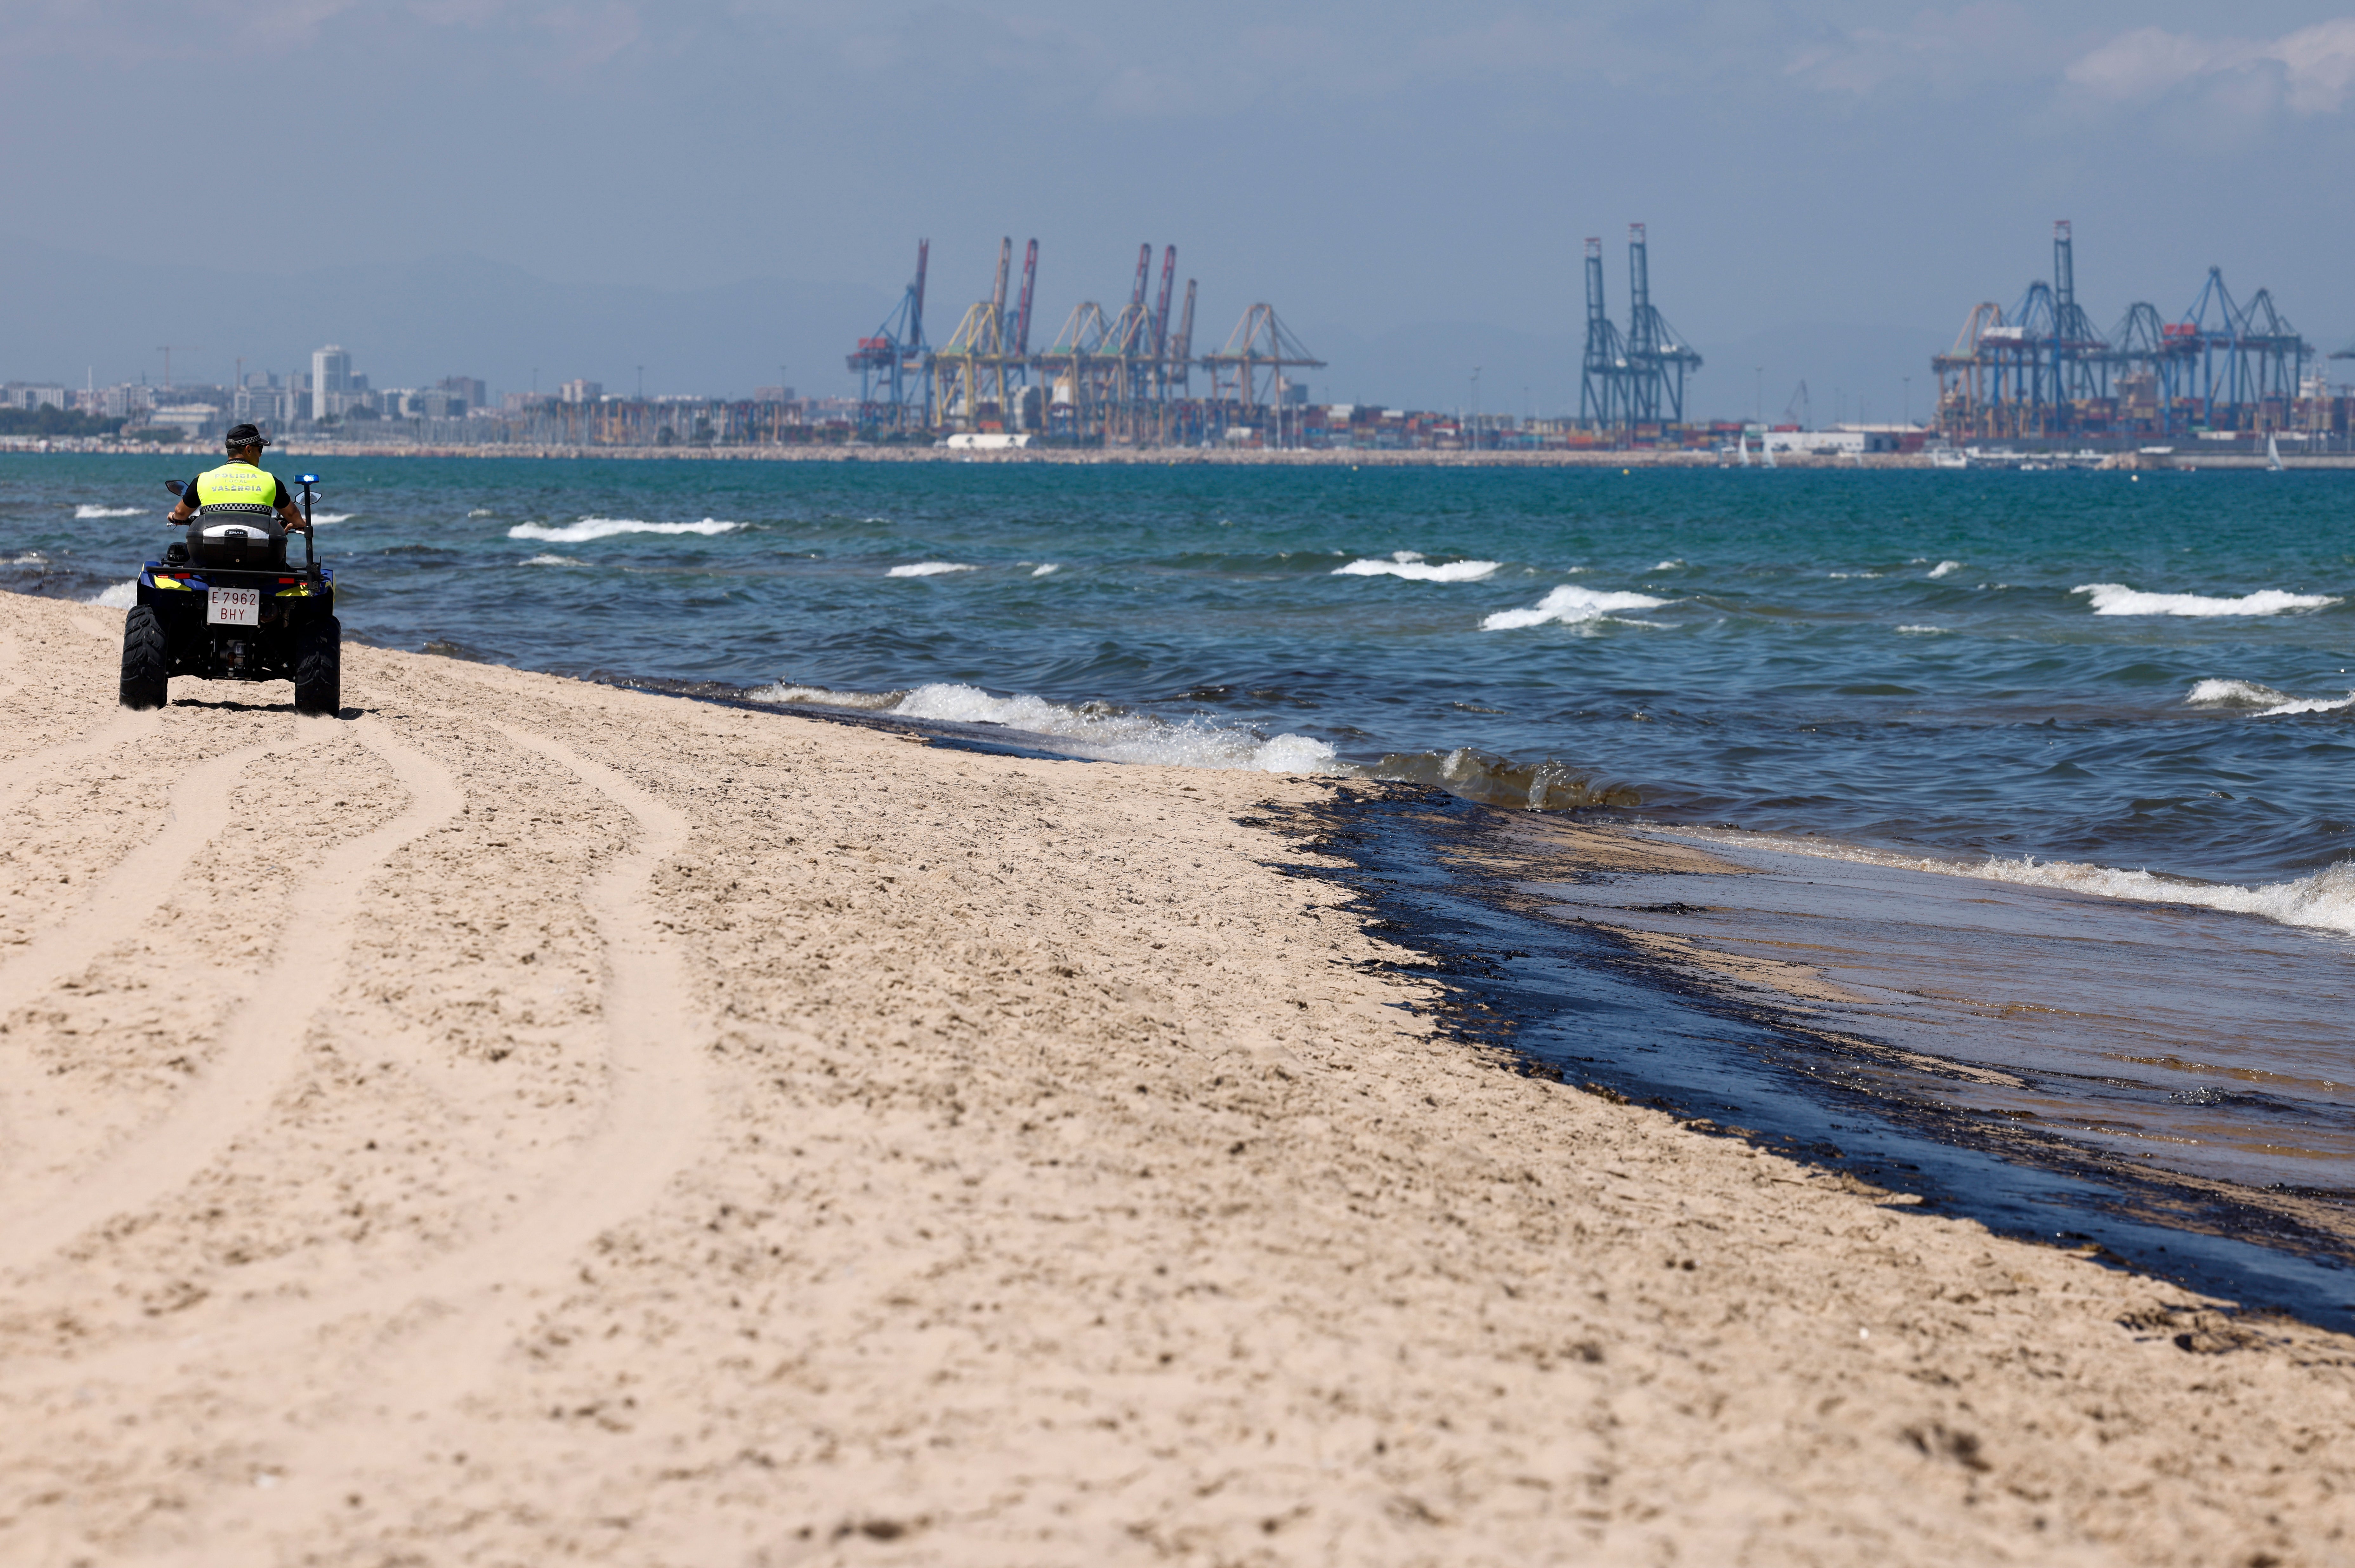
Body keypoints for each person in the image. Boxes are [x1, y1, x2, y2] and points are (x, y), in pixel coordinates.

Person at [166, 424, 309, 533]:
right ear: (248, 450)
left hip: (211, 557)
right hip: (259, 558)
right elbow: (292, 514)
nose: (260, 455)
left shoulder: (203, 480)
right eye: (260, 449)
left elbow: (181, 512)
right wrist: (300, 524)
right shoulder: (270, 481)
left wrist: (175, 518)